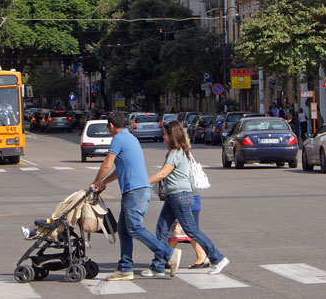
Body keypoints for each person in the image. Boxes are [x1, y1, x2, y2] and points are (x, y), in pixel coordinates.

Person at [90, 111, 182, 281]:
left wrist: (96, 182)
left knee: (134, 228)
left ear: (111, 126)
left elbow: (106, 164)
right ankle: (125, 268)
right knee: (124, 230)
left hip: (136, 192)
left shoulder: (118, 139)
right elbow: (120, 169)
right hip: (135, 191)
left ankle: (168, 253)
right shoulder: (131, 138)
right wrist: (104, 183)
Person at [143, 120, 229, 277]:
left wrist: (142, 183)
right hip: (174, 197)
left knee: (192, 231)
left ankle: (218, 258)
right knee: (161, 230)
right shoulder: (178, 152)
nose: (163, 137)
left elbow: (163, 173)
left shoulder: (176, 153)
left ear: (171, 135)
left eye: (165, 134)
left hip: (180, 197)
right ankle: (158, 266)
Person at [168, 193, 210, 269]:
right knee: (175, 229)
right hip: (183, 198)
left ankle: (202, 256)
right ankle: (169, 257)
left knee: (189, 230)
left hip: (186, 199)